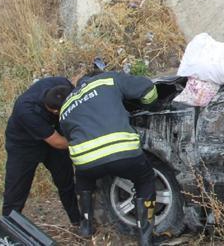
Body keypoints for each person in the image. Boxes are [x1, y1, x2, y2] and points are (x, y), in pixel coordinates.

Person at [58, 71, 159, 245]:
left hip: (86, 160)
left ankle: (86, 227)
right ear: (97, 76)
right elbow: (148, 89)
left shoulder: (65, 106)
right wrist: (150, 107)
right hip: (122, 150)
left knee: (83, 181)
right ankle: (145, 238)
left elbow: (70, 136)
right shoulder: (107, 79)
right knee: (145, 180)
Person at [3, 77, 81, 225]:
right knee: (16, 192)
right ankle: (7, 230)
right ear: (55, 110)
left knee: (66, 182)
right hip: (23, 146)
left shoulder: (62, 85)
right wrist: (87, 140)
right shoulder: (26, 110)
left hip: (53, 136)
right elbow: (58, 142)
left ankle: (78, 221)